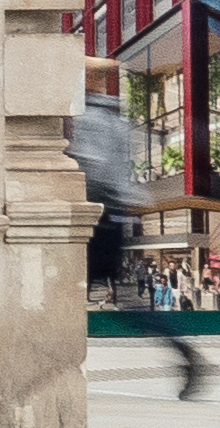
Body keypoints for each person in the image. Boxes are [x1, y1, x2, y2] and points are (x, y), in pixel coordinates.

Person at [70, 68, 201, 399]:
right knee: (127, 300)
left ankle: (184, 352)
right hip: (115, 214)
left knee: (65, 291)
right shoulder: (116, 117)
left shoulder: (89, 118)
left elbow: (94, 168)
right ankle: (182, 350)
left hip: (97, 215)